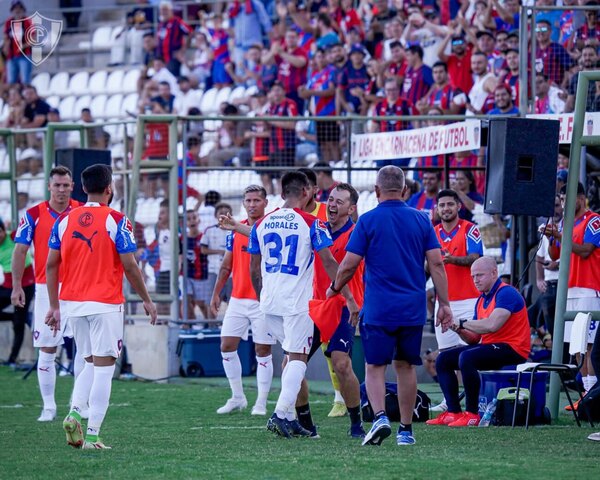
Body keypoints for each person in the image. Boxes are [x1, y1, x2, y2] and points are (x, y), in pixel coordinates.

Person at [328, 166, 452, 446]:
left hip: (379, 309)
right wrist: (444, 304)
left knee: (374, 366)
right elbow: (436, 264)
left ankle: (381, 417)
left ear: (376, 190)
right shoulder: (421, 220)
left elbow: (348, 265)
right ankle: (406, 430)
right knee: (406, 367)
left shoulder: (368, 221)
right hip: (412, 308)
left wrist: (335, 287)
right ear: (405, 190)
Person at [45, 164, 158, 450]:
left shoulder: (64, 220)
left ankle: (73, 413)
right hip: (105, 303)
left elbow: (50, 265)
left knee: (88, 363)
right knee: (105, 368)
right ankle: (92, 435)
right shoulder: (118, 220)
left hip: (73, 303)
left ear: (82, 188)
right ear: (110, 188)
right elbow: (130, 265)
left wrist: (54, 306)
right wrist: (146, 298)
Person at [248, 171, 358, 438]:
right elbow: (330, 263)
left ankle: (293, 419)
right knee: (297, 358)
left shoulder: (261, 223)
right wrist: (351, 298)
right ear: (307, 192)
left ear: (282, 192)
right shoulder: (312, 223)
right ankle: (280, 414)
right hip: (297, 303)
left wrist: (262, 294)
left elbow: (254, 269)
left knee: (291, 359)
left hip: (269, 302)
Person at [11, 166, 82, 422]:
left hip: (78, 287)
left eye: (66, 185)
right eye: (57, 185)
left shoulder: (82, 212)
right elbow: (20, 251)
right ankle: (49, 406)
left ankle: (78, 404)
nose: (62, 190)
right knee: (47, 348)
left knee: (83, 348)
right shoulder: (33, 214)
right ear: (49, 187)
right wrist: (17, 286)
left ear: (73, 186)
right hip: (44, 289)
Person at [426, 256, 530, 427]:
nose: (475, 280)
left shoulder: (507, 293)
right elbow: (474, 339)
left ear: (494, 273)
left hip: (513, 349)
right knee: (443, 360)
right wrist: (457, 328)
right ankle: (453, 412)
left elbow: (492, 325)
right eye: (473, 276)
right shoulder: (482, 299)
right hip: (492, 346)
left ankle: (472, 414)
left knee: (467, 358)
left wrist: (462, 322)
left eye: (480, 275)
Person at [305, 183, 366, 438]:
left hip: (344, 307)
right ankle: (303, 422)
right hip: (317, 305)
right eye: (330, 199)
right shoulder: (316, 227)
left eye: (339, 202)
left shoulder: (357, 234)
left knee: (341, 363)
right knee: (292, 363)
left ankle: (356, 423)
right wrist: (238, 227)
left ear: (351, 209)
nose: (332, 204)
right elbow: (261, 232)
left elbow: (340, 267)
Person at [211, 185, 275, 416]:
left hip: (262, 299)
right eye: (248, 200)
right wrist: (217, 292)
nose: (252, 204)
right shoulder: (235, 230)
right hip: (237, 298)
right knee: (227, 346)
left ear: (265, 203)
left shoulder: (270, 227)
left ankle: (261, 402)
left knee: (262, 350)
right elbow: (227, 264)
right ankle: (237, 397)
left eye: (257, 200)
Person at [544, 182, 600, 400]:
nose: (565, 203)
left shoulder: (594, 220)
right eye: (562, 199)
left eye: (569, 198)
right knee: (576, 345)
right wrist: (552, 235)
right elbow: (555, 255)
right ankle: (587, 393)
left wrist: (559, 237)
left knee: (589, 344)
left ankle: (593, 394)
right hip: (570, 289)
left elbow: (586, 251)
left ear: (581, 198)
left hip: (589, 289)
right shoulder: (567, 223)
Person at [433, 189, 484, 353]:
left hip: (470, 301)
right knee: (445, 353)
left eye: (450, 204)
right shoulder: (432, 233)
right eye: (442, 205)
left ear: (459, 206)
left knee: (469, 352)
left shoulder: (471, 229)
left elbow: (476, 258)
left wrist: (451, 260)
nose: (446, 208)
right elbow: (427, 266)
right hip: (443, 302)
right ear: (437, 209)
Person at [0, 219, 35, 366]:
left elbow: (27, 229)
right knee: (18, 318)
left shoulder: (13, 235)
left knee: (18, 325)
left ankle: (12, 359)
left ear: (4, 231)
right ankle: (21, 316)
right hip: (8, 285)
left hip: (25, 284)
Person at [200, 203, 233, 320]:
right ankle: (211, 326)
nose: (223, 215)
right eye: (221, 212)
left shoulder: (236, 231)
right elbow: (203, 249)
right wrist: (219, 251)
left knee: (232, 302)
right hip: (214, 271)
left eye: (226, 212)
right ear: (215, 215)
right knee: (213, 301)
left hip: (232, 273)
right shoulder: (209, 230)